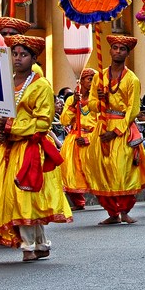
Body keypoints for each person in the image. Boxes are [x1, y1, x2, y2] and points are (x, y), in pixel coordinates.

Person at [0, 35, 72, 261]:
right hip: (9, 149)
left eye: (24, 55)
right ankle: (41, 243)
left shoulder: (41, 86)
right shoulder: (4, 83)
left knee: (25, 196)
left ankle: (28, 247)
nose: (18, 58)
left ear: (34, 58)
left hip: (31, 148)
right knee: (16, 196)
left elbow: (43, 122)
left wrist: (12, 127)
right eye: (15, 54)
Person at [87, 34, 145, 225]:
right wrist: (100, 100)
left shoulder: (132, 79)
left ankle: (125, 210)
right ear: (110, 51)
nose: (118, 51)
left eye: (122, 49)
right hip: (102, 127)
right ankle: (112, 212)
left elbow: (133, 110)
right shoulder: (99, 77)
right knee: (101, 169)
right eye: (115, 48)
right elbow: (91, 104)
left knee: (123, 170)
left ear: (128, 53)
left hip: (122, 130)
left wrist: (116, 132)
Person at [57, 70, 96, 211]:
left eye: (94, 79)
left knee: (96, 170)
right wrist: (73, 103)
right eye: (89, 79)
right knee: (69, 169)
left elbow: (102, 121)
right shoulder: (71, 99)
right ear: (82, 81)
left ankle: (109, 202)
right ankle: (78, 202)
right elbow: (64, 121)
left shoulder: (97, 99)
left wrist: (89, 138)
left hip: (92, 138)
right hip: (74, 138)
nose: (92, 82)